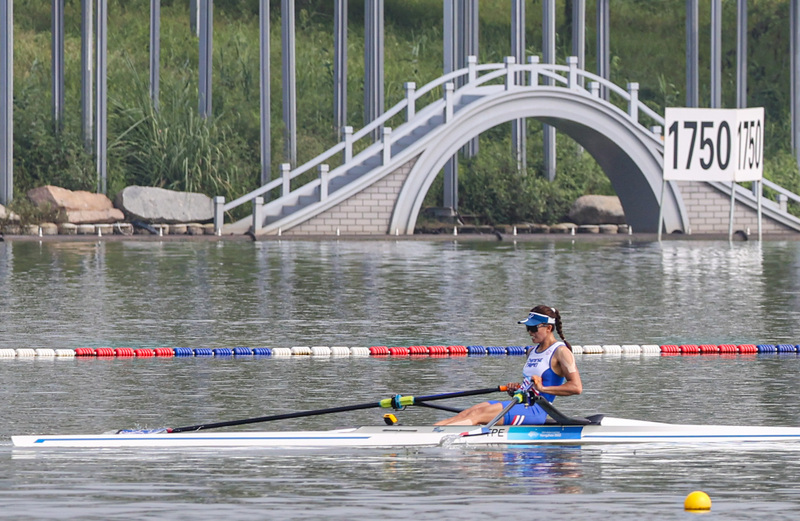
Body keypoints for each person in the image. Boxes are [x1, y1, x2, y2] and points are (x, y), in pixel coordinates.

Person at [434, 305, 582, 426]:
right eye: (527, 328)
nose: (530, 332)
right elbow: (530, 386)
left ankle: (435, 436)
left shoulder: (561, 352)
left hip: (537, 410)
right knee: (470, 411)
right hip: (521, 404)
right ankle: (432, 431)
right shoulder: (532, 351)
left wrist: (543, 389)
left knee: (477, 415)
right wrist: (517, 390)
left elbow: (576, 388)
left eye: (533, 328)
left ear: (548, 328)